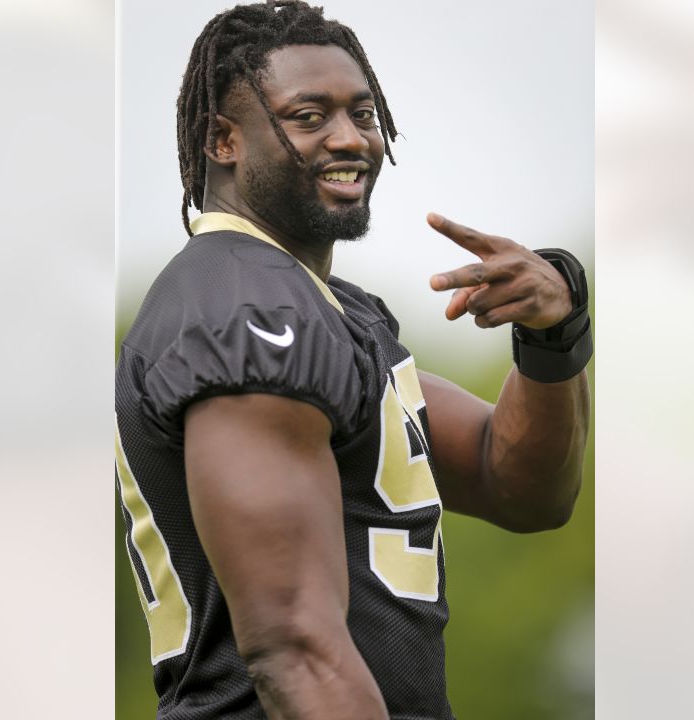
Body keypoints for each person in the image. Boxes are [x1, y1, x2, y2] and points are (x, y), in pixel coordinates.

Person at [115, 2, 592, 717]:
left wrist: (554, 334)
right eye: (309, 116)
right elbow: (294, 651)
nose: (350, 139)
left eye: (363, 114)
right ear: (222, 139)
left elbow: (517, 484)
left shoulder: (327, 310)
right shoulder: (248, 310)